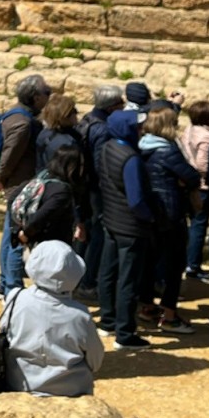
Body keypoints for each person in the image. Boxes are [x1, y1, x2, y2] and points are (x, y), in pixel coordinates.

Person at [3, 240, 105, 397]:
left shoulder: (15, 298)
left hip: (19, 382)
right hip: (69, 390)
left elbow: (5, 335)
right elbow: (95, 360)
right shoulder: (80, 315)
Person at [137, 105, 200, 333]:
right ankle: (170, 314)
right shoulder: (167, 151)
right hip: (171, 213)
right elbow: (191, 177)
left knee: (149, 261)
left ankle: (146, 307)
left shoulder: (141, 147)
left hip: (149, 213)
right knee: (175, 264)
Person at [96, 109, 155, 350]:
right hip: (130, 227)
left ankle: (107, 320)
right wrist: (150, 218)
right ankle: (125, 333)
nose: (141, 130)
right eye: (137, 126)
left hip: (110, 220)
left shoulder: (107, 147)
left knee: (108, 273)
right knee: (128, 280)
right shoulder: (131, 158)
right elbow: (136, 200)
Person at [0, 74, 52, 300]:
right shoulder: (24, 122)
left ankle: (4, 283)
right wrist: (0, 176)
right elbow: (10, 153)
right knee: (18, 238)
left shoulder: (18, 115)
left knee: (9, 234)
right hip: (21, 187)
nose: (49, 96)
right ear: (36, 97)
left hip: (17, 184)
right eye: (47, 93)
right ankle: (12, 288)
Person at [73, 84, 125, 300]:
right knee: (96, 236)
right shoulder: (102, 129)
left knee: (84, 232)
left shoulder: (87, 119)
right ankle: (87, 281)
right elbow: (99, 164)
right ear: (112, 106)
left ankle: (75, 276)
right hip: (96, 190)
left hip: (83, 187)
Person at [13, 145, 84, 251]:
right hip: (48, 246)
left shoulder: (42, 176)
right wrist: (25, 233)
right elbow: (43, 214)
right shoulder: (62, 190)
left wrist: (17, 229)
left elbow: (13, 198)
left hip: (32, 241)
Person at [182, 99, 209, 280]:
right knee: (199, 226)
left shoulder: (189, 130)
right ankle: (193, 266)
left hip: (191, 184)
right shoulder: (206, 137)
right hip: (203, 186)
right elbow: (202, 164)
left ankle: (189, 263)